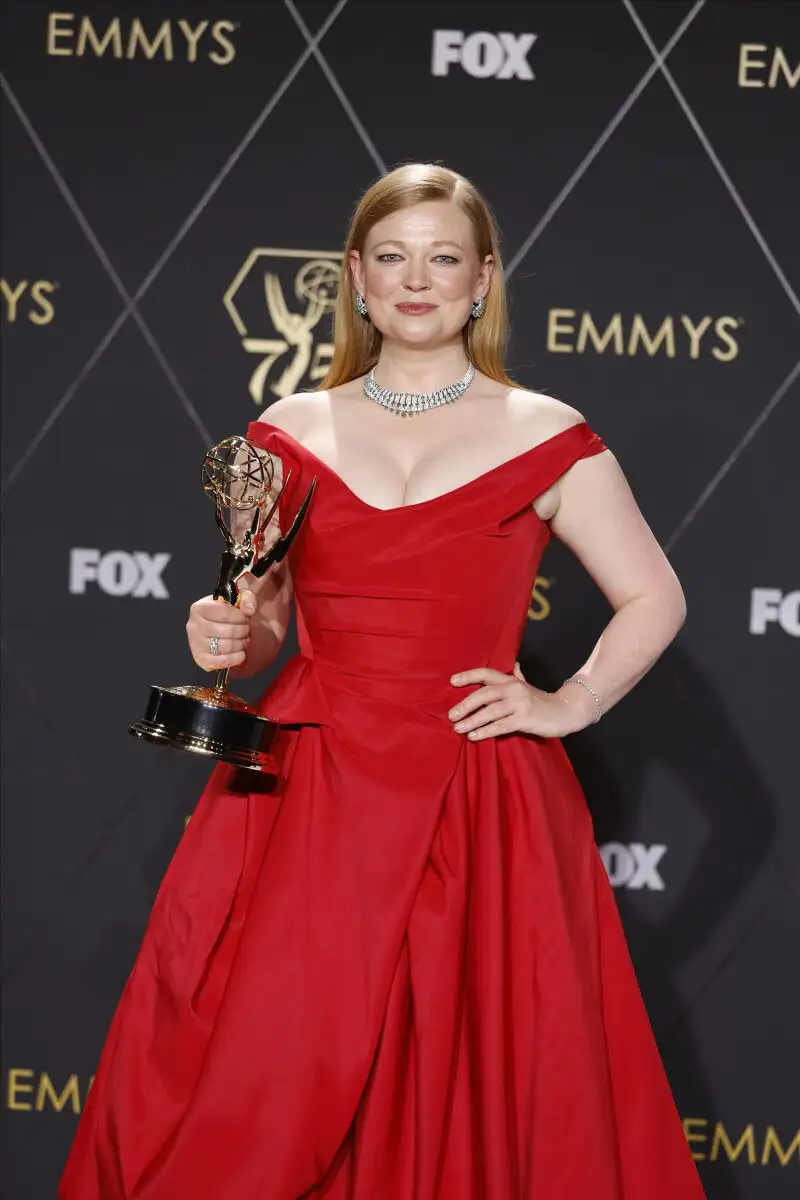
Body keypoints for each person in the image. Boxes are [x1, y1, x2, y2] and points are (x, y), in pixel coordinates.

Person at [59, 163, 707, 1199]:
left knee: (464, 1068)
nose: (418, 281)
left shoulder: (544, 432)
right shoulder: (291, 430)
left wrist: (566, 703)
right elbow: (264, 618)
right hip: (304, 794)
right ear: (354, 279)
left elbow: (653, 596)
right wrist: (225, 633)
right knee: (264, 1068)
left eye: (443, 258)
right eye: (393, 258)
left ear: (482, 279)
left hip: (473, 797)